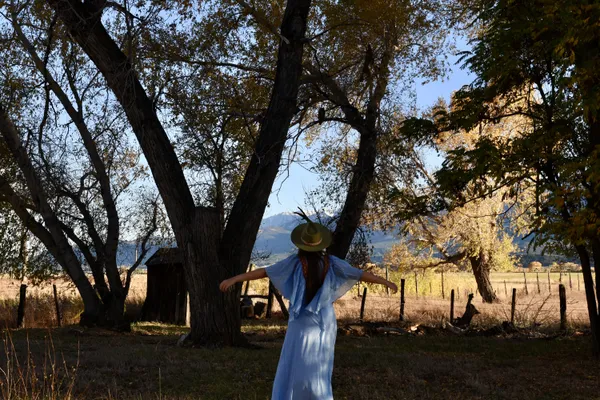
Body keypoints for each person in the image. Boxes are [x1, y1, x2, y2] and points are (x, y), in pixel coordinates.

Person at [219, 210, 398, 400]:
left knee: (295, 361)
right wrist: (385, 282)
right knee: (319, 364)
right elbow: (358, 273)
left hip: (302, 320)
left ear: (301, 245)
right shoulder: (331, 263)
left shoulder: (296, 262)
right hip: (325, 321)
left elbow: (265, 272)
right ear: (321, 245)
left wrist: (236, 278)